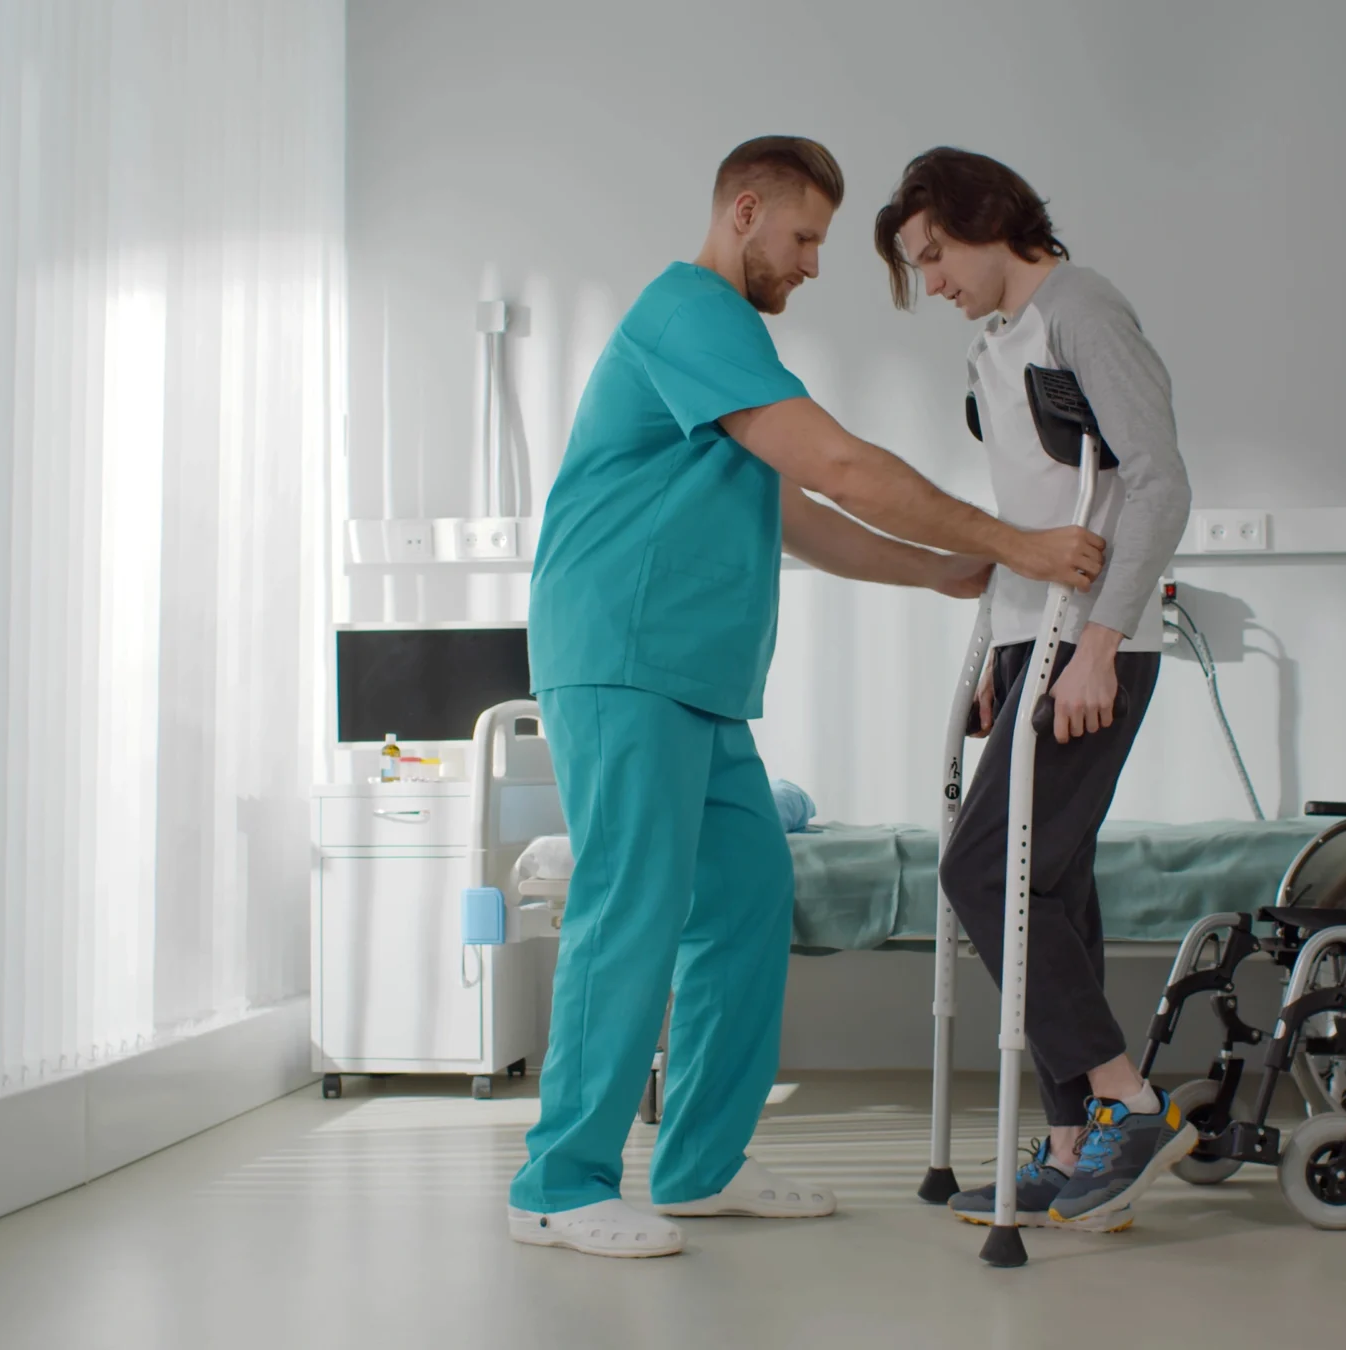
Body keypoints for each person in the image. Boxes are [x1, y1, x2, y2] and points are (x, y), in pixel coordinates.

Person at [509, 135, 1109, 1260]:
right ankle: (558, 1182)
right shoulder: (688, 314)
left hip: (696, 680)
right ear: (743, 212)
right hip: (623, 657)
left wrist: (940, 569)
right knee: (630, 909)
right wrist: (1013, 540)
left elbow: (796, 513)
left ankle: (698, 1166)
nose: (814, 263)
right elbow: (840, 466)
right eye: (804, 237)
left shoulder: (727, 351)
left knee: (745, 898)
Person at [874, 147, 1195, 1234]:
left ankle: (1126, 1101)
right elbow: (1035, 510)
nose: (931, 283)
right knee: (1046, 888)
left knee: (982, 868)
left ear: (987, 221)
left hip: (1091, 643)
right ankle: (1071, 1145)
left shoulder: (1081, 311)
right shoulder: (994, 345)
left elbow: (1157, 481)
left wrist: (1099, 645)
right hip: (1031, 640)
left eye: (934, 256)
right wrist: (998, 661)